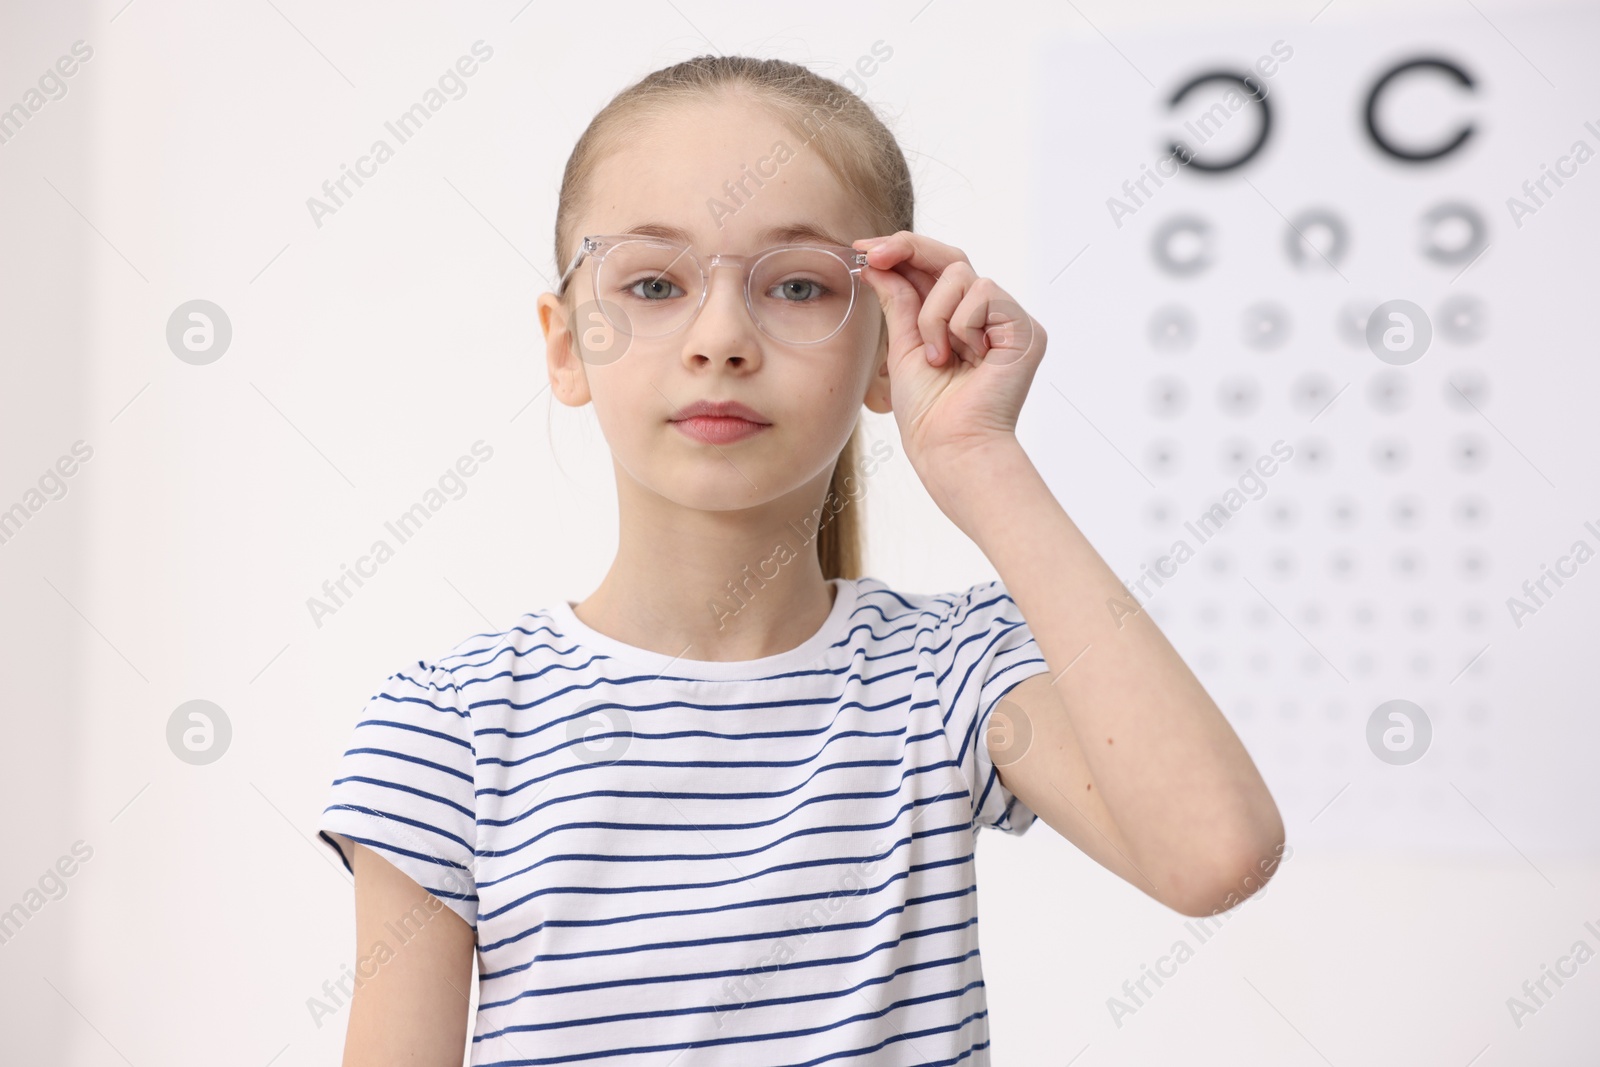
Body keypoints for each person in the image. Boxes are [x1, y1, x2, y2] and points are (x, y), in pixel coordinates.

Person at [316, 53, 1285, 1066]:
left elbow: (1216, 854)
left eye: (797, 284)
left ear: (885, 349)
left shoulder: (947, 676)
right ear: (565, 345)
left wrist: (981, 460)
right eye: (653, 281)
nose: (723, 336)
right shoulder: (451, 726)